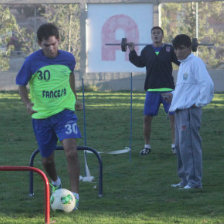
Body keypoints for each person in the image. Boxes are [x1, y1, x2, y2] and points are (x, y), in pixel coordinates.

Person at [16, 23, 82, 209]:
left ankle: (75, 196)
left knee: (71, 152)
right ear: (39, 43)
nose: (51, 48)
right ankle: (56, 183)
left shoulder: (68, 58)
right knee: (47, 160)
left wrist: (74, 99)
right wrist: (27, 103)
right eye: (46, 45)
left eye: (53, 44)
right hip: (42, 116)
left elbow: (70, 75)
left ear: (58, 41)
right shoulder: (31, 62)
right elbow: (21, 84)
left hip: (65, 113)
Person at [167, 34, 214, 190]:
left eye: (181, 48)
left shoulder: (195, 62)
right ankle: (185, 180)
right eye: (176, 49)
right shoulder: (183, 65)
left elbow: (206, 84)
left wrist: (199, 102)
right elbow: (184, 89)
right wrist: (172, 96)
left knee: (190, 146)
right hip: (180, 111)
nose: (178, 52)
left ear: (188, 48)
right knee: (181, 147)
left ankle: (194, 182)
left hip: (189, 111)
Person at [128, 26, 180, 155]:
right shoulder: (147, 50)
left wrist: (187, 50)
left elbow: (180, 61)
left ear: (162, 35)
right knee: (147, 118)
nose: (156, 35)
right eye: (153, 33)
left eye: (158, 33)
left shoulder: (169, 49)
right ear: (151, 36)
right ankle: (147, 146)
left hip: (168, 88)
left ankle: (174, 145)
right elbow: (139, 62)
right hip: (152, 89)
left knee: (173, 117)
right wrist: (132, 50)